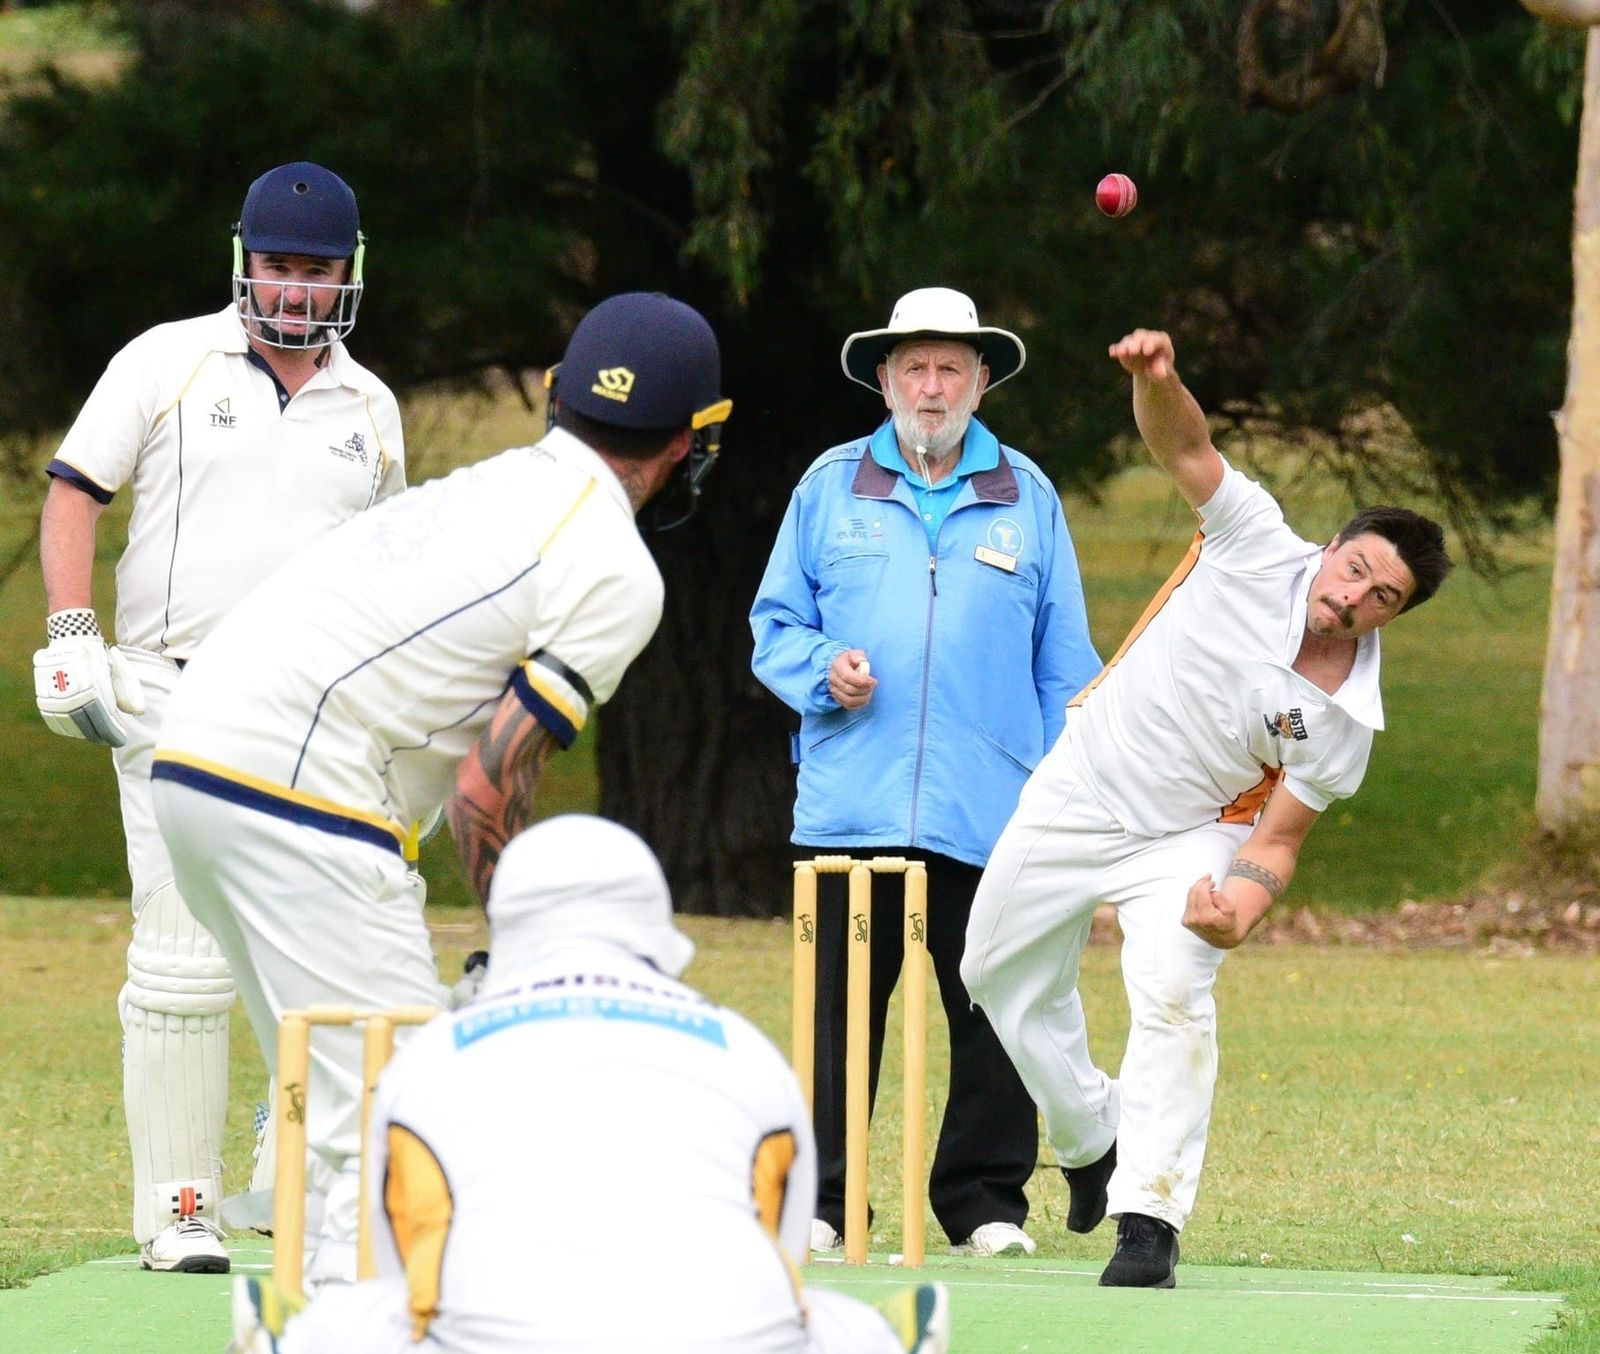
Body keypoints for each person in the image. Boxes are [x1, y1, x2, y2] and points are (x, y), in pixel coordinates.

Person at [149, 290, 730, 1290]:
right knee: (415, 1123)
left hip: (191, 760)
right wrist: (525, 948)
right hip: (300, 789)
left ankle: (329, 1310)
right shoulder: (615, 568)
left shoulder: (491, 483)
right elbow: (484, 787)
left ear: (555, 397)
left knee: (352, 1120)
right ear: (688, 442)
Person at [961, 328, 1454, 1288]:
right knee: (992, 969)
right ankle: (1089, 1132)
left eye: (1381, 597)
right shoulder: (1256, 542)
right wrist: (1159, 378)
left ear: (1395, 615)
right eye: (1354, 570)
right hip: (1081, 782)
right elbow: (1186, 450)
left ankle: (1150, 1219)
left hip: (1193, 835)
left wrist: (1238, 911)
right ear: (1333, 549)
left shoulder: (1346, 720)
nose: (1352, 598)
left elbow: (1279, 840)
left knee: (1178, 992)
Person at [31, 161, 403, 1275]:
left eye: (315, 270)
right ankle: (179, 1210)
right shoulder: (166, 358)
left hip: (311, 709)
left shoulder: (370, 403)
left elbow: (377, 570)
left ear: (348, 272)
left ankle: (293, 1177)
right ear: (246, 261)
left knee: (328, 952)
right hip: (174, 691)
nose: (294, 290)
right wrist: (68, 633)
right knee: (184, 958)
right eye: (279, 267)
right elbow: (73, 493)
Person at [225, 815, 952, 1354]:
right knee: (838, 1324)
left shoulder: (428, 1058)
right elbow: (782, 1258)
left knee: (349, 1316)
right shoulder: (748, 1051)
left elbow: (397, 1270)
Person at [749, 287, 1102, 1258]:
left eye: (951, 367)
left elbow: (1065, 666)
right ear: (885, 378)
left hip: (991, 809)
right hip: (848, 804)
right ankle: (823, 1200)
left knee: (993, 1009)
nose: (932, 386)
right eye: (915, 367)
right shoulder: (830, 485)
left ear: (982, 381)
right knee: (836, 1019)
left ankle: (984, 1200)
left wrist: (1061, 797)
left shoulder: (1026, 495)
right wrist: (825, 671)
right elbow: (772, 628)